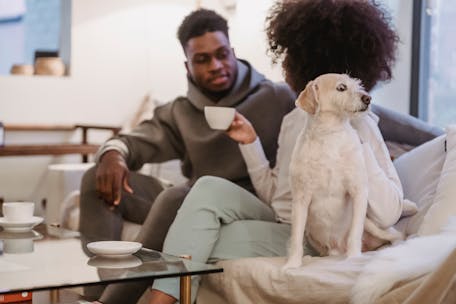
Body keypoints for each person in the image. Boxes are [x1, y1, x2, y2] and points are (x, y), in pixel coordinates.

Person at [146, 1, 412, 303]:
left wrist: (354, 144)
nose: (284, 63)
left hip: (319, 237)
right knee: (206, 190)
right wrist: (250, 143)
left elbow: (390, 210)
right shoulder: (294, 120)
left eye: (287, 55)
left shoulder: (362, 127)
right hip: (284, 223)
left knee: (196, 235)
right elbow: (278, 197)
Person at [80, 8, 295, 304]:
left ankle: (110, 302)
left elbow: (370, 116)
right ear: (187, 66)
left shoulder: (277, 96)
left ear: (233, 52)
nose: (216, 65)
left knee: (180, 196)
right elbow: (134, 140)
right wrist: (113, 154)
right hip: (191, 205)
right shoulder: (180, 111)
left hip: (251, 205)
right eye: (202, 59)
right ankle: (92, 295)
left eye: (222, 54)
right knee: (97, 177)